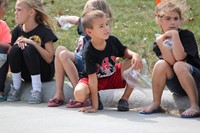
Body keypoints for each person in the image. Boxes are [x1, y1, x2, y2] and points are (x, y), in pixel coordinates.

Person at [66, 10, 142, 113]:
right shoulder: (88, 51)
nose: (106, 28)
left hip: (112, 75)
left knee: (137, 63)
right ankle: (94, 98)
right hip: (94, 79)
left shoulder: (112, 40)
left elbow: (125, 52)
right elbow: (92, 80)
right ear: (89, 32)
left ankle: (124, 99)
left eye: (106, 24)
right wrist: (95, 107)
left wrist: (135, 55)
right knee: (79, 93)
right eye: (101, 26)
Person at [140, 0, 200, 118]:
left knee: (179, 65)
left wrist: (175, 35)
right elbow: (170, 62)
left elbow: (179, 58)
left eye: (176, 19)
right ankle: (156, 103)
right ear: (158, 19)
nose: (172, 22)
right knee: (160, 64)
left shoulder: (187, 35)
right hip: (178, 86)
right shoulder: (159, 42)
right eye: (168, 19)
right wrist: (160, 43)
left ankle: (194, 105)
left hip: (196, 81)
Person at [47, 0, 113, 107]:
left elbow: (75, 20)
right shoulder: (95, 26)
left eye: (87, 10)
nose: (84, 13)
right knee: (60, 49)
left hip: (90, 68)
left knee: (63, 54)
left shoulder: (92, 27)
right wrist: (62, 20)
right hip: (83, 65)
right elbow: (75, 20)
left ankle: (80, 95)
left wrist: (62, 20)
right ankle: (59, 93)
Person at [6, 0, 58, 104]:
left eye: (19, 10)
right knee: (15, 48)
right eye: (15, 10)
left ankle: (37, 90)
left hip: (44, 72)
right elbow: (11, 55)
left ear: (31, 12)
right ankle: (16, 87)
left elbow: (49, 58)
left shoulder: (44, 30)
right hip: (26, 73)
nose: (15, 13)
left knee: (29, 48)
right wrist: (16, 43)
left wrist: (33, 43)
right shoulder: (17, 30)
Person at [0, 0, 11, 102]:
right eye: (3, 7)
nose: (4, 10)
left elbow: (8, 46)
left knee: (3, 50)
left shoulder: (2, 25)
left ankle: (0, 91)